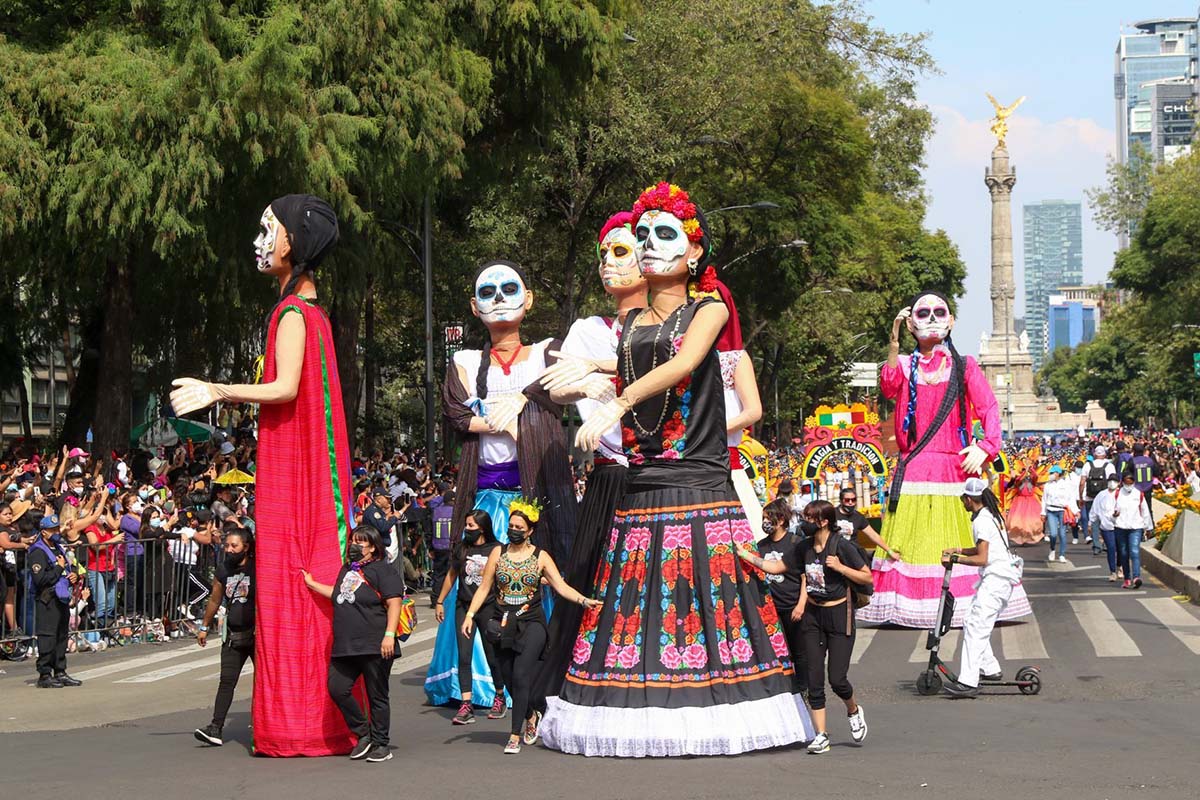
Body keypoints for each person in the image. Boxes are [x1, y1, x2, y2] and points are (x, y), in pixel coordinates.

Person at [542, 183, 812, 756]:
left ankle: (726, 711)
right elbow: (613, 364)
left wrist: (615, 399)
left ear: (694, 253)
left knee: (712, 606)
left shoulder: (708, 310)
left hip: (698, 482)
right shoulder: (632, 323)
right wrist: (575, 382)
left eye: (664, 234)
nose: (646, 244)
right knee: (638, 606)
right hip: (642, 486)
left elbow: (686, 360)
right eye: (641, 235)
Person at [171, 194, 357, 757]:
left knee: (290, 582)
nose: (259, 241)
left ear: (292, 244)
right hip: (292, 465)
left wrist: (217, 390)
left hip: (294, 477)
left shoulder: (294, 314)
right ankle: (308, 717)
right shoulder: (306, 314)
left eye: (266, 228)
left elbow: (285, 389)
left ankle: (299, 721)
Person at [425, 259, 578, 708]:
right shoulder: (466, 362)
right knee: (479, 587)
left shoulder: (550, 352)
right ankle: (478, 684)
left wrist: (518, 410)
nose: (498, 299)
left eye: (509, 288)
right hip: (487, 500)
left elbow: (562, 394)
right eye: (487, 292)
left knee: (541, 582)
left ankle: (539, 671)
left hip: (537, 497)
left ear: (528, 299)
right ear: (474, 306)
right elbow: (455, 414)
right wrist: (501, 421)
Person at [862, 292, 1030, 628]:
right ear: (911, 323)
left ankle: (961, 604)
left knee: (956, 536)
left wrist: (986, 446)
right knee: (913, 540)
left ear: (951, 321)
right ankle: (913, 606)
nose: (933, 318)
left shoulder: (964, 364)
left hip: (955, 468)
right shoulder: (907, 365)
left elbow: (989, 407)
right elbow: (889, 386)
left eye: (940, 312)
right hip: (913, 470)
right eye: (923, 313)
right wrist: (894, 345)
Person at [536, 210, 649, 702]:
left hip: (665, 472)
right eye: (603, 253)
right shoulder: (587, 327)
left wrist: (601, 371)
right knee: (591, 576)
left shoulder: (681, 324)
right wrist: (583, 384)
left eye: (620, 251)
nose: (608, 262)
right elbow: (556, 385)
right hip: (609, 475)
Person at [460, 501, 600, 754]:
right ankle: (530, 714)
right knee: (508, 678)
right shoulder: (498, 554)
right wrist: (470, 615)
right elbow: (484, 587)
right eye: (511, 525)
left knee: (522, 674)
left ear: (530, 531)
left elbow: (560, 585)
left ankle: (514, 734)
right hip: (502, 622)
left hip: (532, 622)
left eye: (519, 527)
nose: (513, 530)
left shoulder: (541, 556)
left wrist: (583, 600)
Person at [736, 500, 871, 753]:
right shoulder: (803, 548)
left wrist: (841, 567)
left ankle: (853, 709)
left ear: (823, 521)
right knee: (814, 677)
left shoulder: (842, 546)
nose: (804, 523)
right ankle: (821, 734)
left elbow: (867, 576)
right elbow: (776, 566)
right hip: (813, 616)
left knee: (837, 679)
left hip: (839, 613)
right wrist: (745, 555)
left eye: (809, 519)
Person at [303, 526, 404, 763]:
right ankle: (363, 733)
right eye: (353, 542)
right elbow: (339, 594)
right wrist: (312, 584)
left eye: (361, 543)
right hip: (346, 645)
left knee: (376, 695)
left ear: (373, 547)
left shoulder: (384, 571)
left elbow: (394, 603)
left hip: (375, 644)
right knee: (337, 688)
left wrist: (389, 634)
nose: (355, 546)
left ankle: (381, 744)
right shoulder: (347, 569)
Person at [941, 478, 1024, 698]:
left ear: (969, 499)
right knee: (971, 622)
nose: (962, 503)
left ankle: (968, 682)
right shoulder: (990, 515)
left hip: (996, 580)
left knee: (976, 628)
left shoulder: (982, 521)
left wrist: (955, 559)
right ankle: (990, 668)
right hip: (998, 578)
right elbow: (983, 549)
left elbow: (982, 558)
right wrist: (958, 549)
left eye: (963, 499)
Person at [434, 509, 507, 724]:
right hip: (463, 606)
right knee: (464, 656)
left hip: (489, 608)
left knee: (492, 654)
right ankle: (466, 704)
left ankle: (500, 695)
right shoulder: (462, 548)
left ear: (482, 528)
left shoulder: (496, 549)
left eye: (471, 526)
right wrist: (440, 601)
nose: (467, 529)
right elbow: (452, 575)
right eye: (466, 525)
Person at [194, 528, 256, 746]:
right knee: (227, 682)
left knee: (264, 681)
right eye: (226, 545)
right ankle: (215, 728)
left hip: (258, 635)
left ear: (246, 547)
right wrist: (204, 626)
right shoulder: (223, 570)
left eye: (234, 546)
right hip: (233, 635)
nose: (229, 550)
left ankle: (262, 724)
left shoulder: (258, 567)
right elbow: (214, 599)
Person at [752, 498, 808, 694]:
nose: (765, 523)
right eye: (763, 519)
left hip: (793, 606)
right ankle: (785, 688)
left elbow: (805, 578)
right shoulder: (761, 546)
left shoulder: (795, 544)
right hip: (771, 608)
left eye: (769, 518)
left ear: (782, 520)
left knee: (799, 652)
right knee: (778, 651)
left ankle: (803, 689)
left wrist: (801, 605)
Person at [27, 514, 85, 688]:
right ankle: (44, 674)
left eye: (56, 528)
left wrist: (72, 574)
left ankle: (60, 671)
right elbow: (40, 579)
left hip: (62, 597)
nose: (56, 532)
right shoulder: (38, 551)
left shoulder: (58, 548)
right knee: (47, 636)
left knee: (61, 635)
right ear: (43, 532)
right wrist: (59, 568)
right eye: (52, 530)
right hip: (48, 598)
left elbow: (68, 566)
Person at [1113, 471, 1152, 589]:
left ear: (1134, 483)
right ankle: (1127, 579)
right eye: (1126, 483)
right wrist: (1114, 515)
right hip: (1121, 527)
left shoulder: (1138, 494)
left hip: (1135, 527)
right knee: (1124, 553)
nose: (1128, 485)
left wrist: (1148, 527)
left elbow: (1145, 511)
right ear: (1122, 483)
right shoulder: (1117, 494)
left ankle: (1136, 577)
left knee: (1134, 551)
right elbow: (1111, 510)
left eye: (1131, 483)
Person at [835, 487, 896, 561]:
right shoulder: (833, 514)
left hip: (851, 553)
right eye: (847, 500)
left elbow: (873, 535)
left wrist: (890, 551)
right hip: (835, 552)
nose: (850, 502)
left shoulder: (858, 517)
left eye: (853, 500)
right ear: (841, 501)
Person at [1080, 446, 1117, 556]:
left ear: (1095, 454)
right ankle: (1107, 543)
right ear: (1105, 454)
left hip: (1090, 496)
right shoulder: (1109, 465)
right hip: (1105, 497)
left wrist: (1080, 496)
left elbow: (1082, 482)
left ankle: (1096, 546)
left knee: (1094, 521)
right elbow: (1113, 482)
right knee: (1108, 520)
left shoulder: (1087, 465)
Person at [1041, 465, 1079, 563]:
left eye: (1053, 473)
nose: (1051, 475)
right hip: (1051, 510)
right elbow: (1044, 499)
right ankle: (1052, 549)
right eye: (1051, 473)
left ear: (1058, 474)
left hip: (1062, 510)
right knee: (1053, 534)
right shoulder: (1047, 485)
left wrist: (1076, 511)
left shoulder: (1066, 485)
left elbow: (1071, 499)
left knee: (1062, 534)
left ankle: (1062, 554)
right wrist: (1043, 512)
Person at [1089, 475, 1122, 582]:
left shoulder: (1122, 494)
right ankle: (1113, 572)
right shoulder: (1101, 495)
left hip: (1121, 526)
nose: (1112, 483)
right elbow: (1094, 510)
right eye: (1110, 481)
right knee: (1111, 548)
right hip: (1106, 526)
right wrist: (1091, 522)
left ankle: (1119, 566)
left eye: (1115, 481)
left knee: (1121, 549)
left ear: (1118, 483)